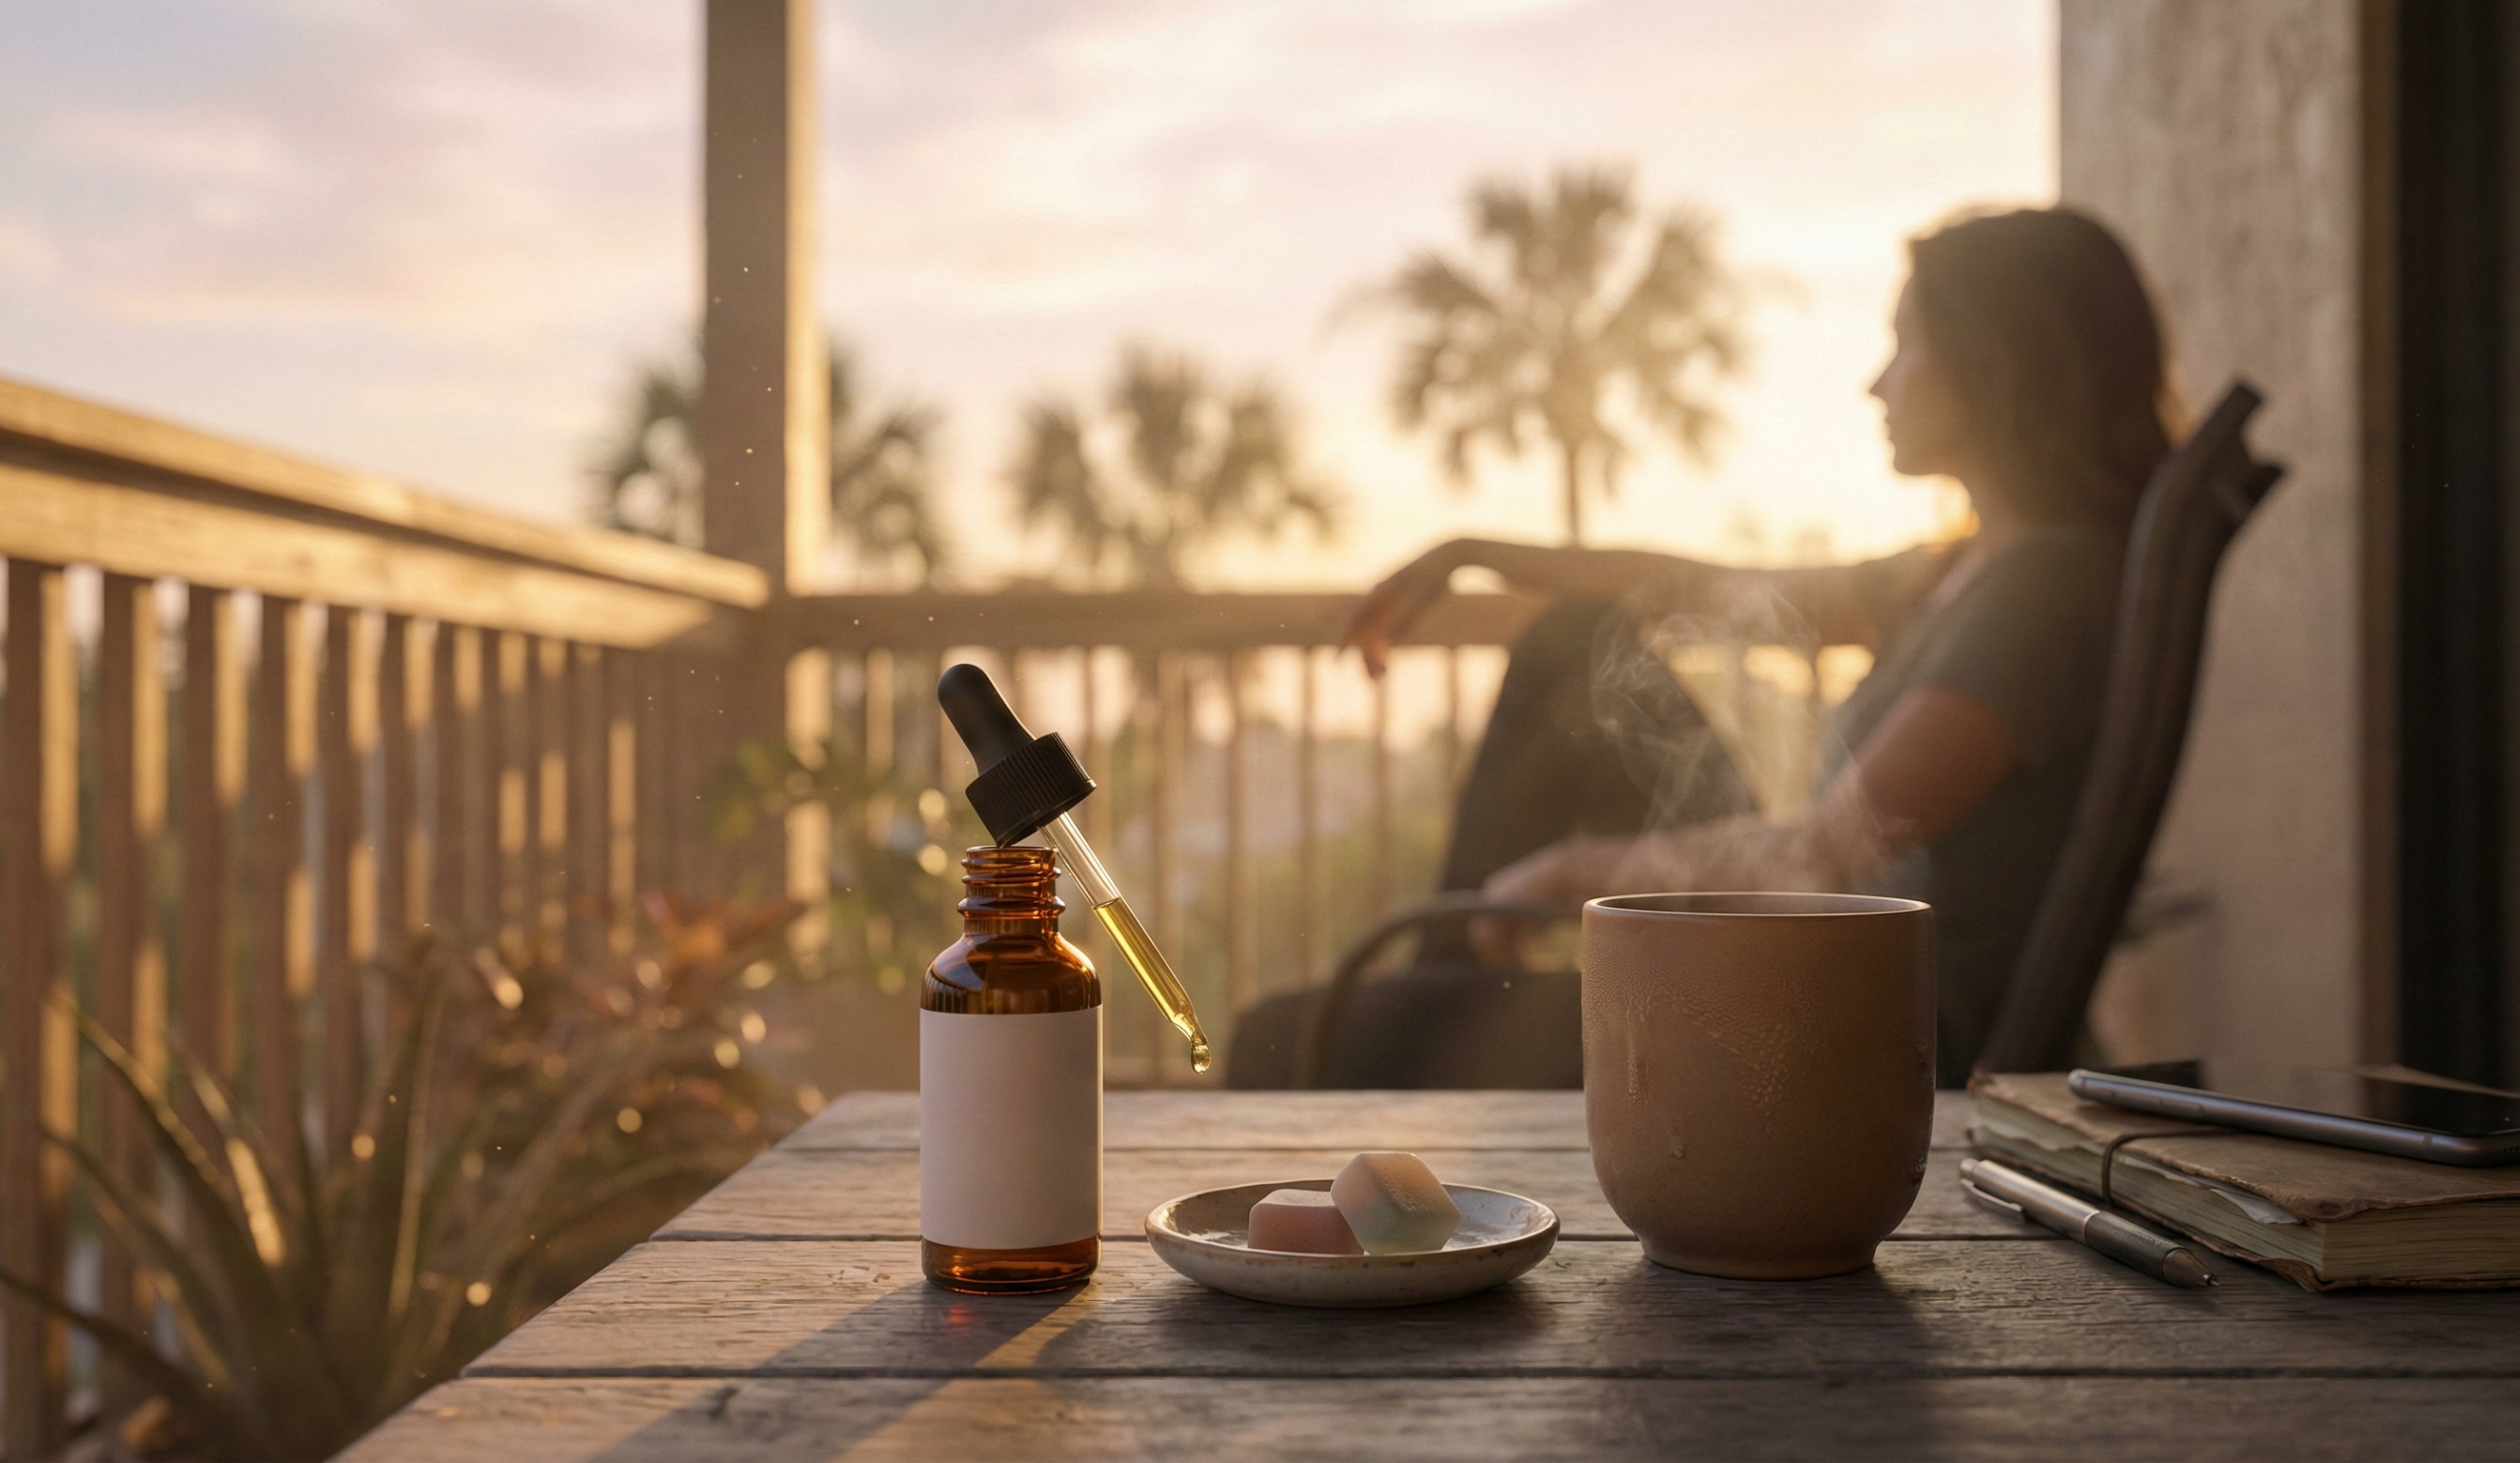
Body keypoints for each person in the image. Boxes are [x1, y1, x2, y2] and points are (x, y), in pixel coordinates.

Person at [1332, 206, 2179, 1088]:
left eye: (1905, 344)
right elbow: (1710, 592)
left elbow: (1826, 853)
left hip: (1847, 1024)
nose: (1875, 384)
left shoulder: (2043, 591)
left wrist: (1568, 868)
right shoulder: (1958, 571)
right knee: (1576, 642)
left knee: (1305, 1032)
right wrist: (1478, 552)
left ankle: (1433, 1006)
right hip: (1808, 964)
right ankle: (1445, 988)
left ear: (1992, 363)